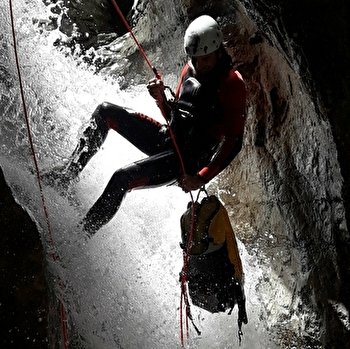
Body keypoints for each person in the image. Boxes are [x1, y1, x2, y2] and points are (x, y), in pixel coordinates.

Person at [45, 15, 247, 236]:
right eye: (196, 59)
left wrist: (200, 178)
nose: (200, 64)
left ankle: (80, 236)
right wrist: (161, 99)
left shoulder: (232, 84)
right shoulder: (190, 69)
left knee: (121, 178)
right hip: (168, 138)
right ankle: (67, 176)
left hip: (185, 161)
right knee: (105, 112)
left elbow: (234, 142)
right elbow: (176, 117)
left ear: (219, 51)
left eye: (206, 58)